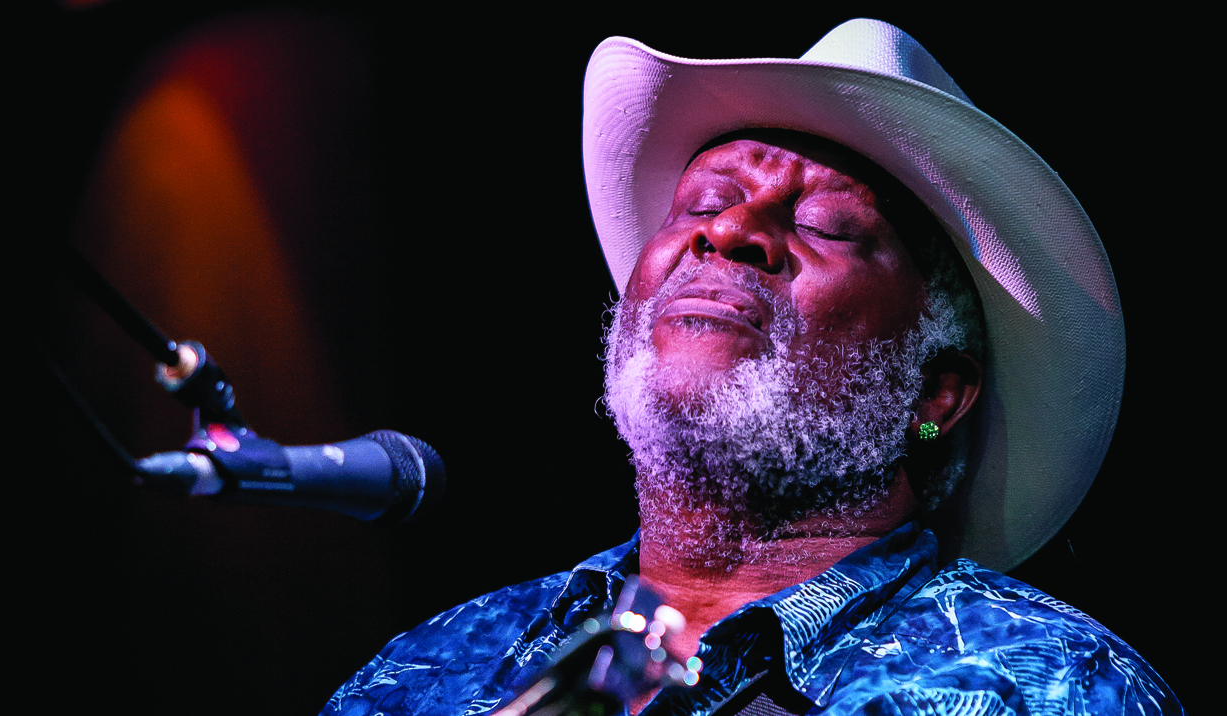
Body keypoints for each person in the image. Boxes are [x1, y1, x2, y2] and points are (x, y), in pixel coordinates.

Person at [322, 20, 1181, 715]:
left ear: (933, 395)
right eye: (702, 202)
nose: (726, 233)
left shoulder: (1047, 687)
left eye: (829, 227)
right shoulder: (428, 672)